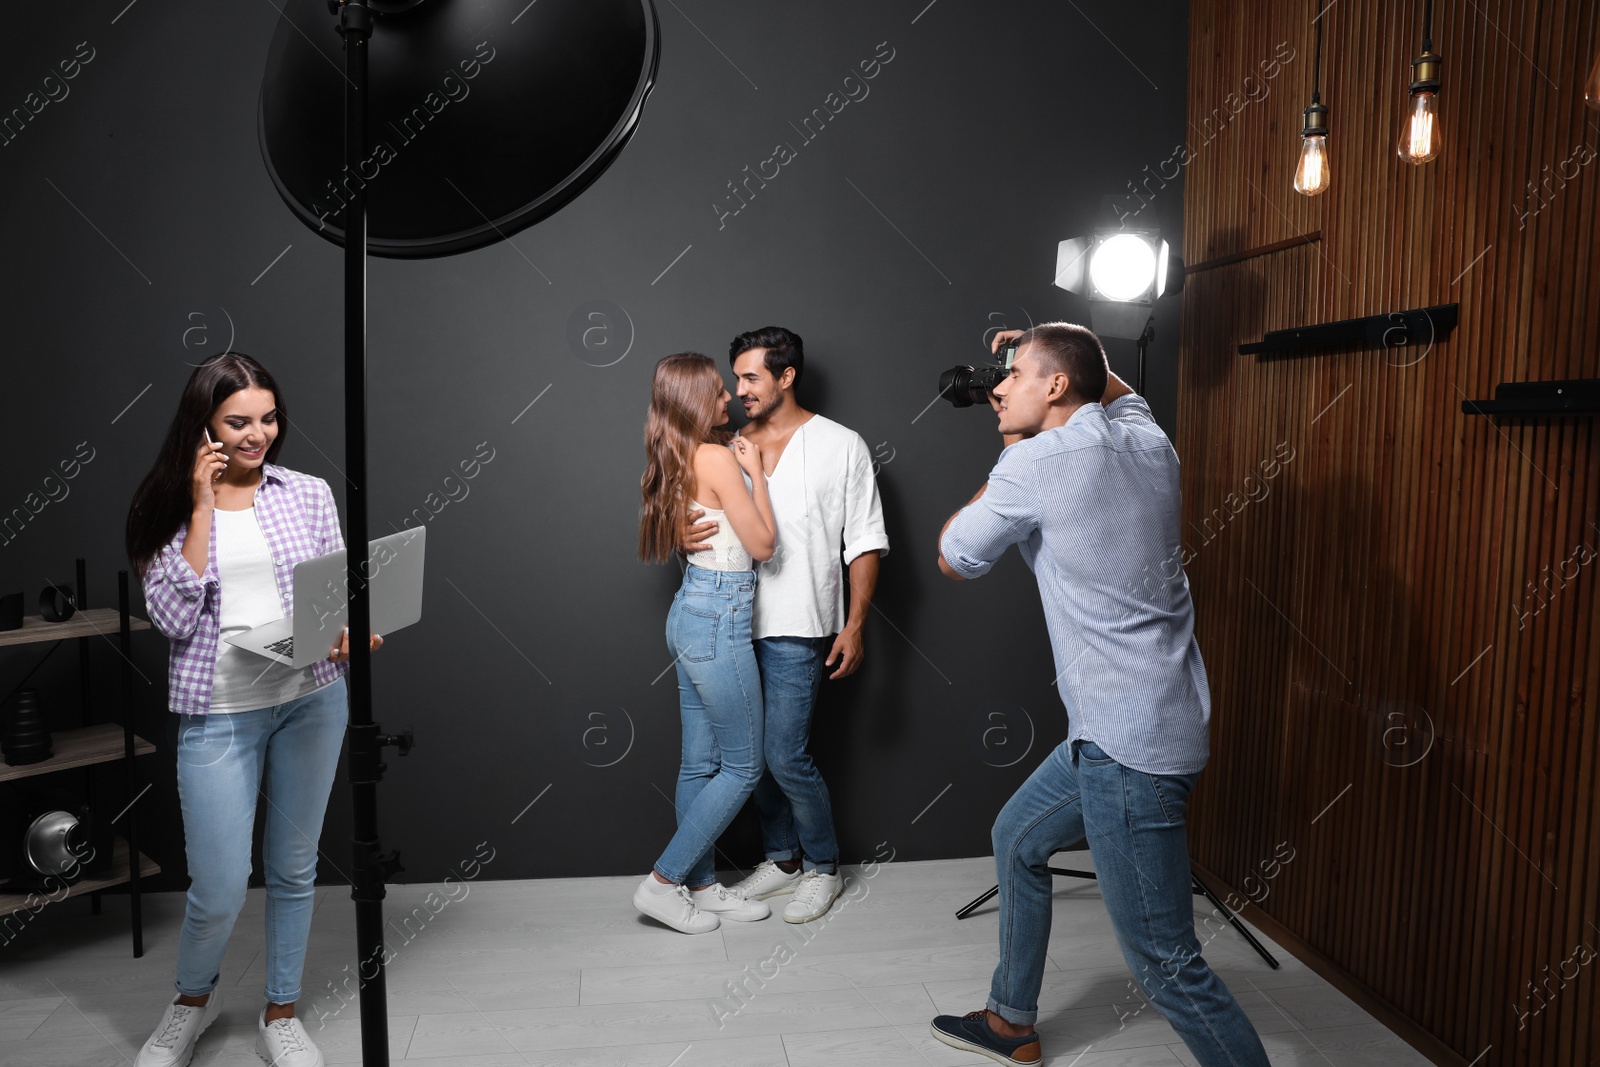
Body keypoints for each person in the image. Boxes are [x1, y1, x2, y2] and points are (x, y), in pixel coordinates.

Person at [930, 324, 1269, 1066]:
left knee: (1166, 962)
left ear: (1054, 386)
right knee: (1018, 837)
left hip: (1128, 751)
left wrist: (1012, 455)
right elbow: (1111, 387)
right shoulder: (1148, 440)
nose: (997, 386)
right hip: (1138, 725)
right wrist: (1053, 348)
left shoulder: (1034, 462)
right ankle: (1010, 1020)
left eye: (1013, 374)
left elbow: (955, 555)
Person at [125, 352, 383, 1067]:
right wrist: (203, 506)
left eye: (268, 418)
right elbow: (174, 620)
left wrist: (347, 631)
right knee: (218, 884)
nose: (258, 433)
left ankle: (281, 1011)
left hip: (310, 700)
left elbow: (334, 594)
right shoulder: (165, 508)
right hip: (219, 713)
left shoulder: (306, 492)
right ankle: (189, 1003)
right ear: (203, 423)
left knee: (294, 868)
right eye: (238, 421)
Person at [686, 326, 890, 924]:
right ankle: (782, 859)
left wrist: (854, 626)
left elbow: (867, 541)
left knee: (784, 754)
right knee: (746, 757)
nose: (739, 389)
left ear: (786, 376)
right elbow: (699, 519)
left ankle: (823, 867)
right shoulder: (725, 446)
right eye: (737, 377)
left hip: (800, 624)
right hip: (727, 623)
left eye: (752, 377)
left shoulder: (841, 444)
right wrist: (679, 531)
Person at [635, 352, 779, 933]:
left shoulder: (674, 453)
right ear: (697, 401)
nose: (729, 399)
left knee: (700, 764)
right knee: (744, 766)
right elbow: (764, 546)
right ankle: (663, 882)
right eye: (719, 392)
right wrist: (760, 477)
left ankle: (700, 885)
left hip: (690, 612)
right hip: (719, 618)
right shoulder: (717, 455)